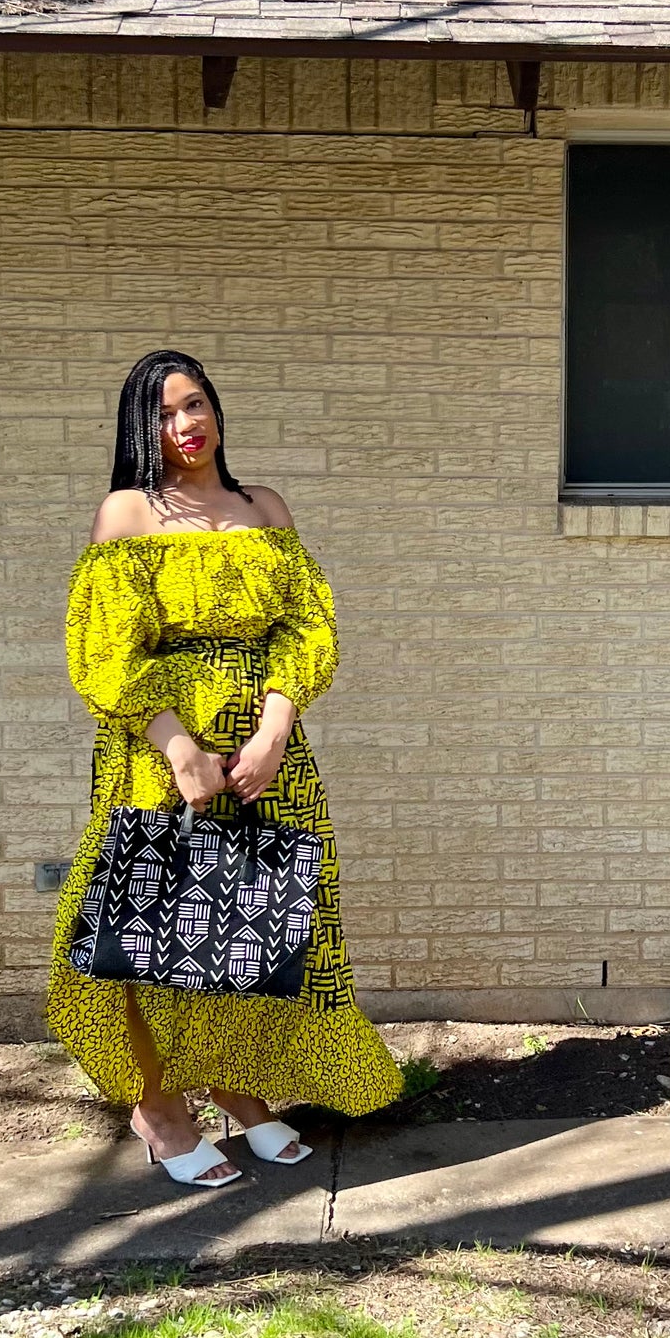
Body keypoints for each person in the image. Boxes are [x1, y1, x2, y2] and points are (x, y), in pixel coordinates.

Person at [47, 350, 403, 1186]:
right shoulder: (128, 513)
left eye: (196, 403)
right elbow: (104, 651)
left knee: (243, 924)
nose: (186, 425)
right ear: (144, 428)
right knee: (147, 935)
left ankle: (236, 1087)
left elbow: (307, 628)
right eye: (166, 413)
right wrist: (179, 749)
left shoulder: (263, 507)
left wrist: (276, 727)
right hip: (156, 750)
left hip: (265, 755)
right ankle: (161, 1112)